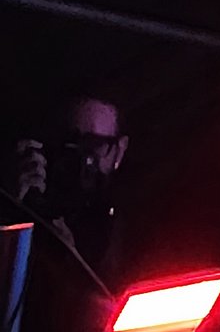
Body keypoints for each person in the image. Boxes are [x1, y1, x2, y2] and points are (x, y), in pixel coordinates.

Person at [0, 93, 128, 277]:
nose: (80, 157)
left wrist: (70, 260)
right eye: (70, 141)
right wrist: (11, 206)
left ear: (120, 150)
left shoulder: (126, 218)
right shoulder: (33, 186)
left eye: (94, 145)